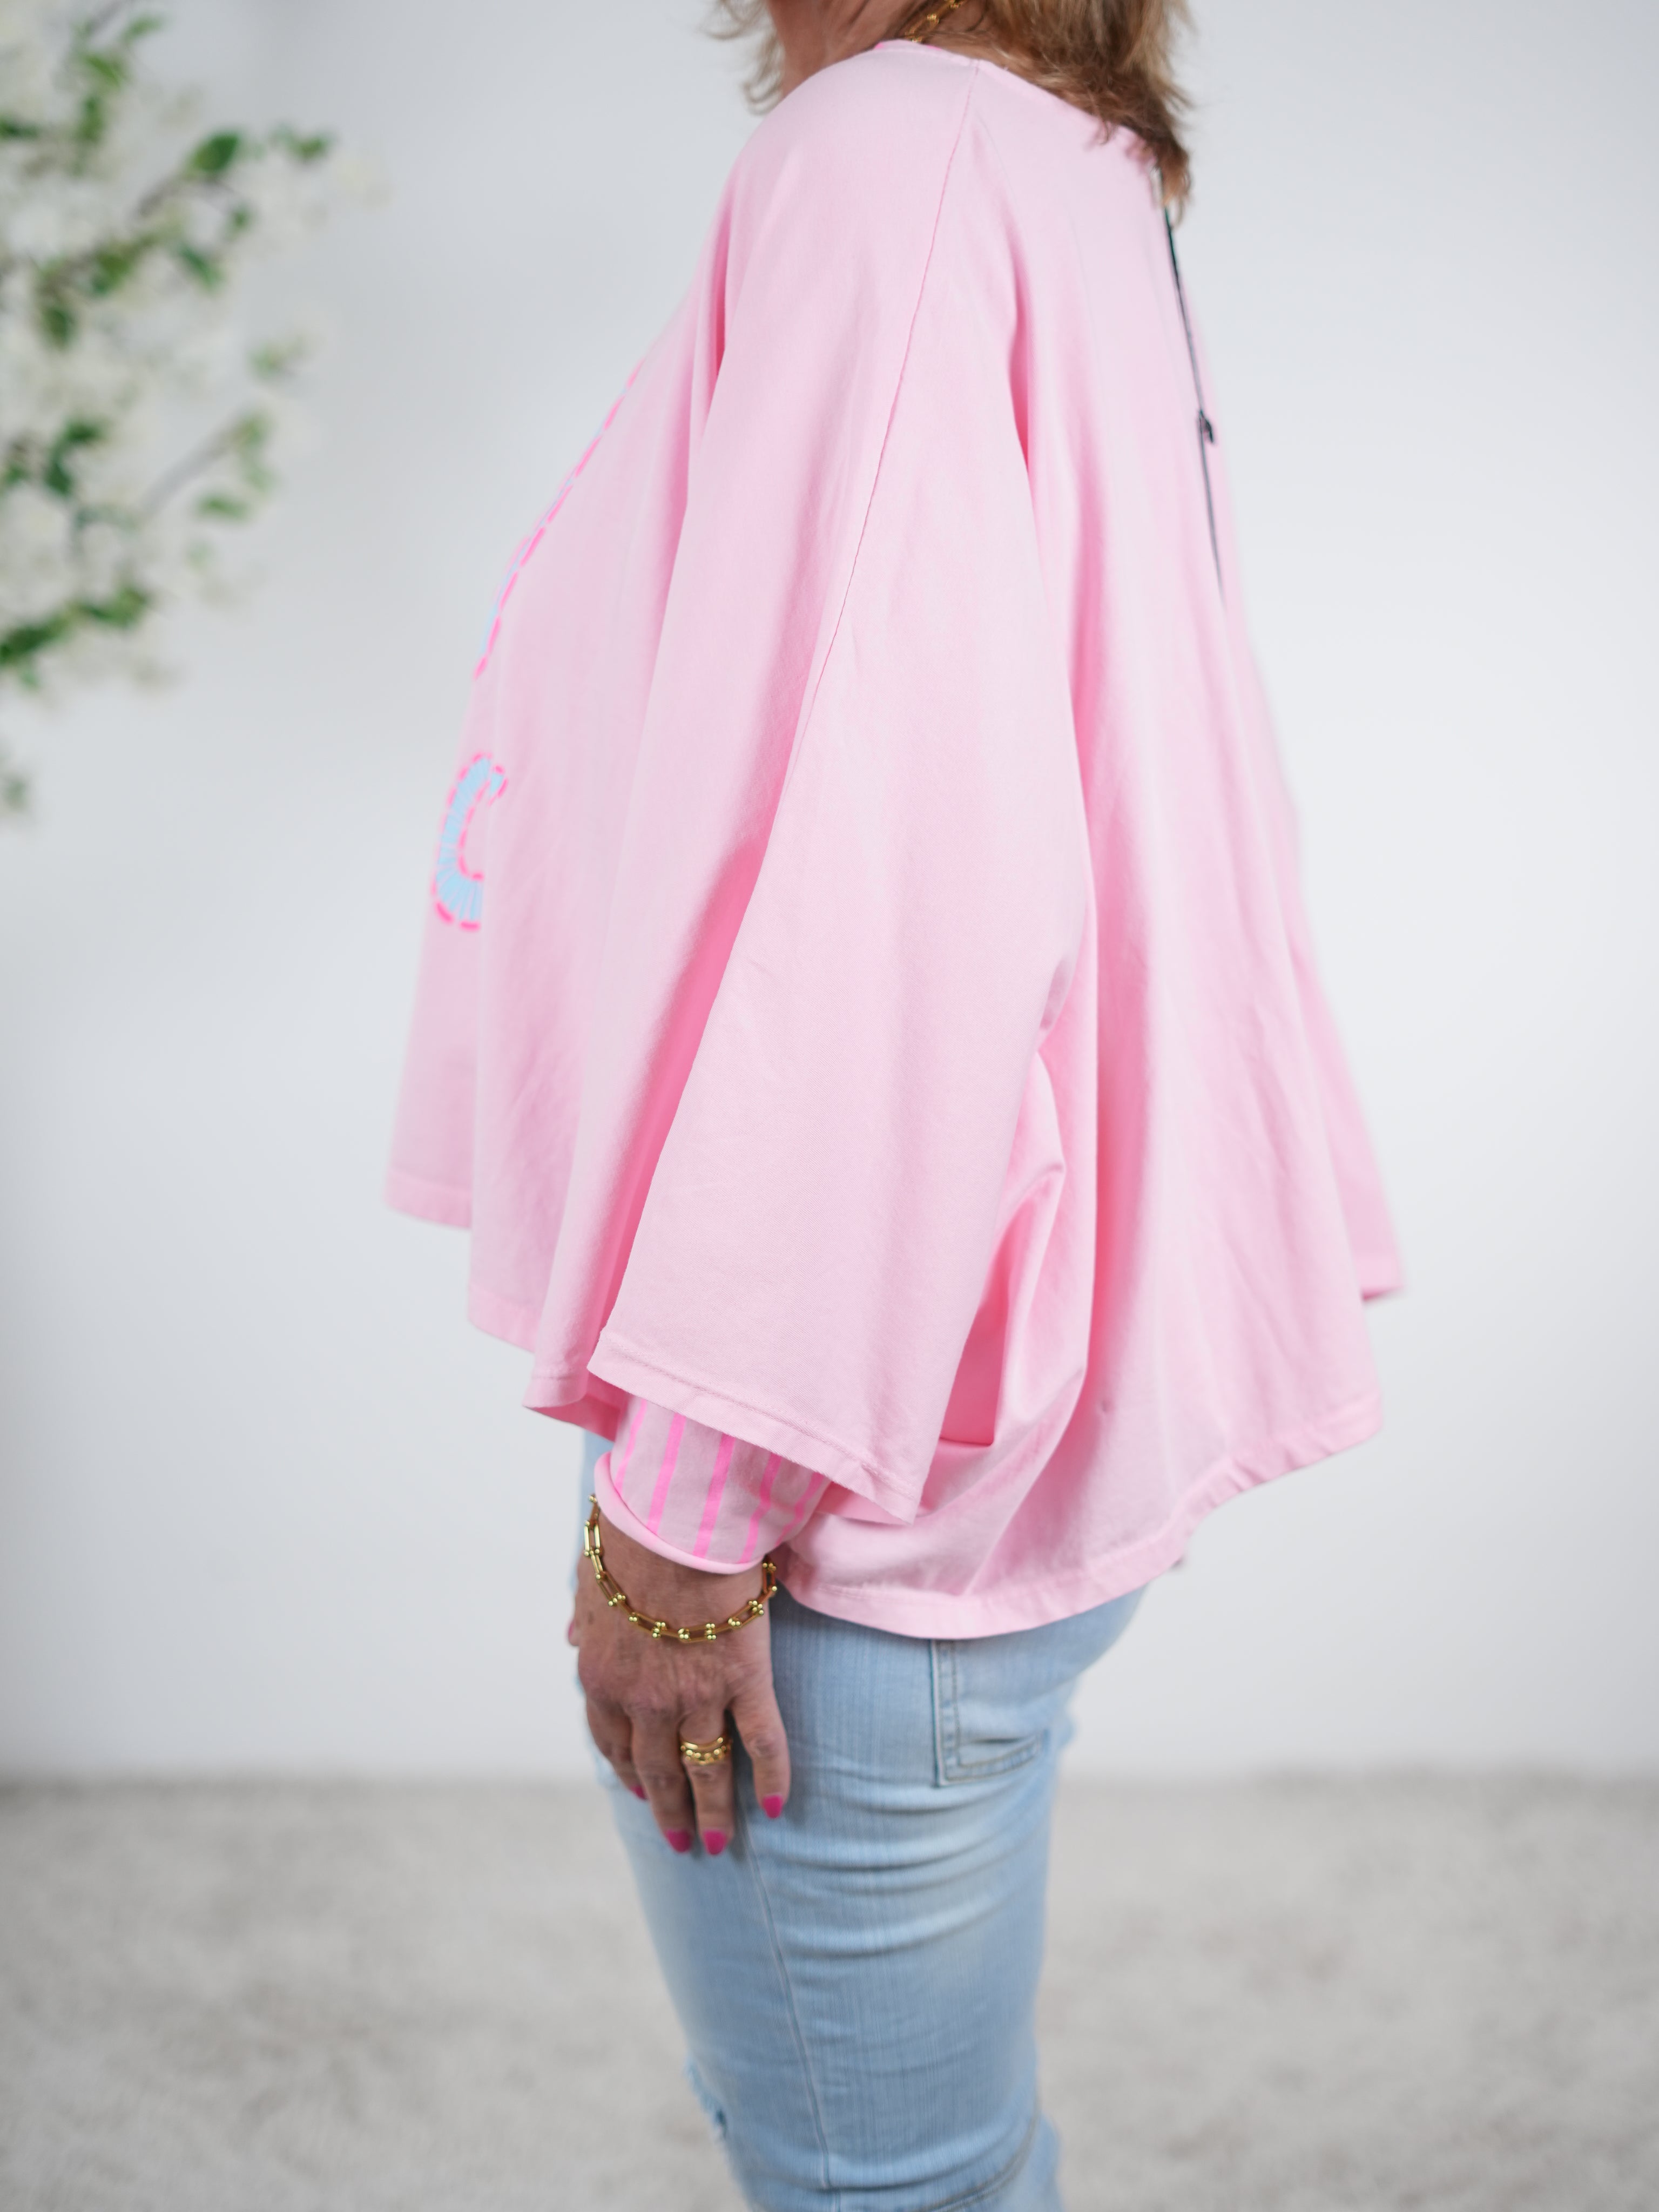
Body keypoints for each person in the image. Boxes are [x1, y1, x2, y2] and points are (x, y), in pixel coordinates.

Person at [387, 1, 1401, 2204]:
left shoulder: (891, 156)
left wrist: (692, 1505)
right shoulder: (1051, 155)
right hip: (938, 1368)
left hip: (833, 1458)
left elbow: (896, 884)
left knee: (882, 2178)